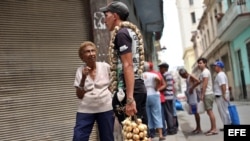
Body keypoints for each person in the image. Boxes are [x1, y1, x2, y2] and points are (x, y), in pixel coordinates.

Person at [100, 1, 148, 128]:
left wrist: (130, 98)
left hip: (130, 89)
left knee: (133, 133)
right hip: (136, 86)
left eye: (106, 15)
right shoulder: (130, 32)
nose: (104, 20)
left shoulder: (121, 34)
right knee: (140, 132)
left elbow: (128, 65)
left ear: (115, 16)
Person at [72, 41, 114, 141]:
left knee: (107, 138)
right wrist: (83, 77)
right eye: (87, 52)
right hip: (86, 110)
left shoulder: (105, 67)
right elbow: (79, 95)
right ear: (82, 57)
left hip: (106, 109)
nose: (91, 54)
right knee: (78, 137)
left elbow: (113, 84)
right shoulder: (80, 71)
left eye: (93, 51)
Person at [143, 62, 166, 140]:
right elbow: (158, 80)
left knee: (148, 115)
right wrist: (156, 87)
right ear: (150, 68)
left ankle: (150, 136)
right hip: (154, 94)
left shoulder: (141, 75)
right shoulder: (154, 75)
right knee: (157, 114)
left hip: (145, 95)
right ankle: (160, 134)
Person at [197, 58, 218, 136]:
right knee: (209, 112)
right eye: (198, 63)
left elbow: (204, 85)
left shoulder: (205, 72)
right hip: (207, 94)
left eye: (201, 63)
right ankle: (212, 128)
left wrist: (202, 95)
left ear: (205, 63)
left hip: (207, 94)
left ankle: (214, 129)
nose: (199, 64)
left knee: (210, 112)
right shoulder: (204, 72)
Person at [179, 68, 202, 134]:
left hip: (193, 97)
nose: (182, 77)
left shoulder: (190, 76)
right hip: (190, 97)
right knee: (195, 112)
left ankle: (199, 128)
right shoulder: (187, 78)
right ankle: (197, 127)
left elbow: (198, 81)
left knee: (196, 112)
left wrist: (192, 88)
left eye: (182, 75)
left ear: (184, 73)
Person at [148, 62, 168, 137]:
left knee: (157, 115)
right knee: (159, 115)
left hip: (158, 97)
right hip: (157, 97)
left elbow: (164, 84)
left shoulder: (156, 74)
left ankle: (160, 132)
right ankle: (160, 133)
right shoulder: (156, 74)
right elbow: (164, 84)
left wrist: (157, 89)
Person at [158, 62, 177, 135]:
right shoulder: (169, 74)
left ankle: (171, 129)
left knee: (168, 113)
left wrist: (158, 89)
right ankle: (171, 128)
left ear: (164, 69)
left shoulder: (165, 75)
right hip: (170, 96)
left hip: (167, 96)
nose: (160, 69)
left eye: (161, 68)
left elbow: (165, 86)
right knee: (170, 113)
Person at [212, 60, 231, 131]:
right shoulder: (220, 74)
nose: (214, 68)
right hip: (221, 95)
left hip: (221, 96)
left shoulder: (220, 75)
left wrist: (224, 95)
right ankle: (227, 124)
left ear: (219, 67)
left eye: (215, 66)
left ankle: (227, 125)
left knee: (223, 111)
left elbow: (223, 85)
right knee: (224, 111)